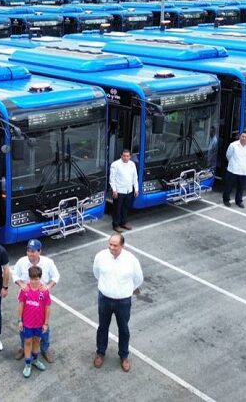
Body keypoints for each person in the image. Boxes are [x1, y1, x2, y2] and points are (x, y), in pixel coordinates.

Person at [93, 233, 143, 373]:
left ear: (122, 245)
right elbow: (96, 273)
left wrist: (125, 290)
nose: (111, 247)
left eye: (115, 245)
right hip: (104, 299)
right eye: (110, 244)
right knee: (103, 327)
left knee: (124, 329)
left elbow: (138, 279)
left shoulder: (131, 260)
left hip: (123, 301)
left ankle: (124, 356)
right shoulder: (101, 256)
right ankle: (100, 353)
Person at [12, 239, 60, 363]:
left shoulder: (48, 262)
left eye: (33, 251)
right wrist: (21, 283)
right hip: (26, 301)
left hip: (41, 302)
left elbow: (56, 276)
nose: (30, 254)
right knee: (24, 325)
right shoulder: (21, 262)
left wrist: (48, 287)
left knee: (43, 326)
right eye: (28, 251)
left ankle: (44, 349)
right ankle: (24, 348)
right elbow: (14, 275)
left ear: (39, 251)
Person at [18, 266, 51, 378]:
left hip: (39, 323)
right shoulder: (25, 290)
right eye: (32, 279)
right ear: (29, 278)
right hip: (27, 323)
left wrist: (46, 323)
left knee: (37, 341)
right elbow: (21, 305)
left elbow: (47, 307)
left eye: (36, 279)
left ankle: (35, 360)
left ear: (40, 278)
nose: (34, 281)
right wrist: (20, 320)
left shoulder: (44, 292)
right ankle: (28, 364)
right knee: (27, 342)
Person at [108, 149, 138, 233]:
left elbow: (135, 177)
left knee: (125, 207)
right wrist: (114, 190)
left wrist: (136, 189)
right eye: (124, 156)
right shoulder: (115, 164)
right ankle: (116, 224)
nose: (126, 157)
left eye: (127, 156)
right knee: (117, 208)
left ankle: (123, 222)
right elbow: (112, 179)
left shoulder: (132, 164)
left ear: (130, 156)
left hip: (129, 190)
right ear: (121, 155)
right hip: (119, 191)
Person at [223, 132, 246, 208]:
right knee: (228, 186)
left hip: (244, 171)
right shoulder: (233, 145)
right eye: (242, 136)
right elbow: (228, 155)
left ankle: (239, 201)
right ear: (239, 137)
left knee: (241, 188)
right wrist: (234, 163)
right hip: (233, 170)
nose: (244, 138)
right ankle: (226, 200)